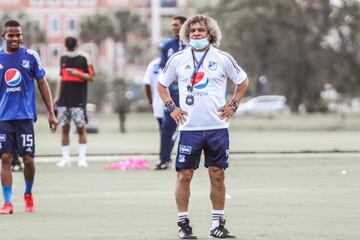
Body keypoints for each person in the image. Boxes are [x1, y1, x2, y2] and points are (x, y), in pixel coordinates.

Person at [158, 15, 249, 239]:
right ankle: (183, 225)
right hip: (189, 129)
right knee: (184, 176)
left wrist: (233, 105)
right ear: (187, 35)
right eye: (192, 31)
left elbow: (243, 81)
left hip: (217, 127)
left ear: (210, 34)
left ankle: (217, 225)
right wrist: (172, 108)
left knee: (217, 175)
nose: (196, 34)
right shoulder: (178, 59)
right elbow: (161, 85)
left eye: (201, 31)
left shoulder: (222, 57)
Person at [0, 20, 57, 214]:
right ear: (3, 37)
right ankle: (7, 203)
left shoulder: (31, 57)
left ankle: (28, 193)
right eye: (11, 35)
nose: (15, 38)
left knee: (28, 160)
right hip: (3, 118)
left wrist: (51, 113)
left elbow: (42, 83)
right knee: (5, 158)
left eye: (18, 35)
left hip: (25, 118)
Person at [54, 36, 95, 168]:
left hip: (78, 100)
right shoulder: (63, 58)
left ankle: (82, 159)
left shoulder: (84, 58)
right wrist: (57, 97)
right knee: (64, 128)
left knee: (81, 128)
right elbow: (61, 79)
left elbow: (91, 76)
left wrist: (77, 73)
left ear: (78, 45)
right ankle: (65, 159)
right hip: (64, 100)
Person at [156, 15, 187, 170]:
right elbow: (162, 68)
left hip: (191, 96)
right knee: (167, 128)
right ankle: (164, 159)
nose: (173, 27)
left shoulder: (192, 45)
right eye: (172, 25)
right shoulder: (167, 45)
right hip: (173, 96)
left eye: (176, 24)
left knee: (193, 129)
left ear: (184, 26)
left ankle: (190, 159)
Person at [142, 57, 164, 129]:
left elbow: (147, 84)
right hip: (174, 104)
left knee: (164, 132)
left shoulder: (153, 64)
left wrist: (150, 101)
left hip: (158, 104)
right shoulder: (177, 60)